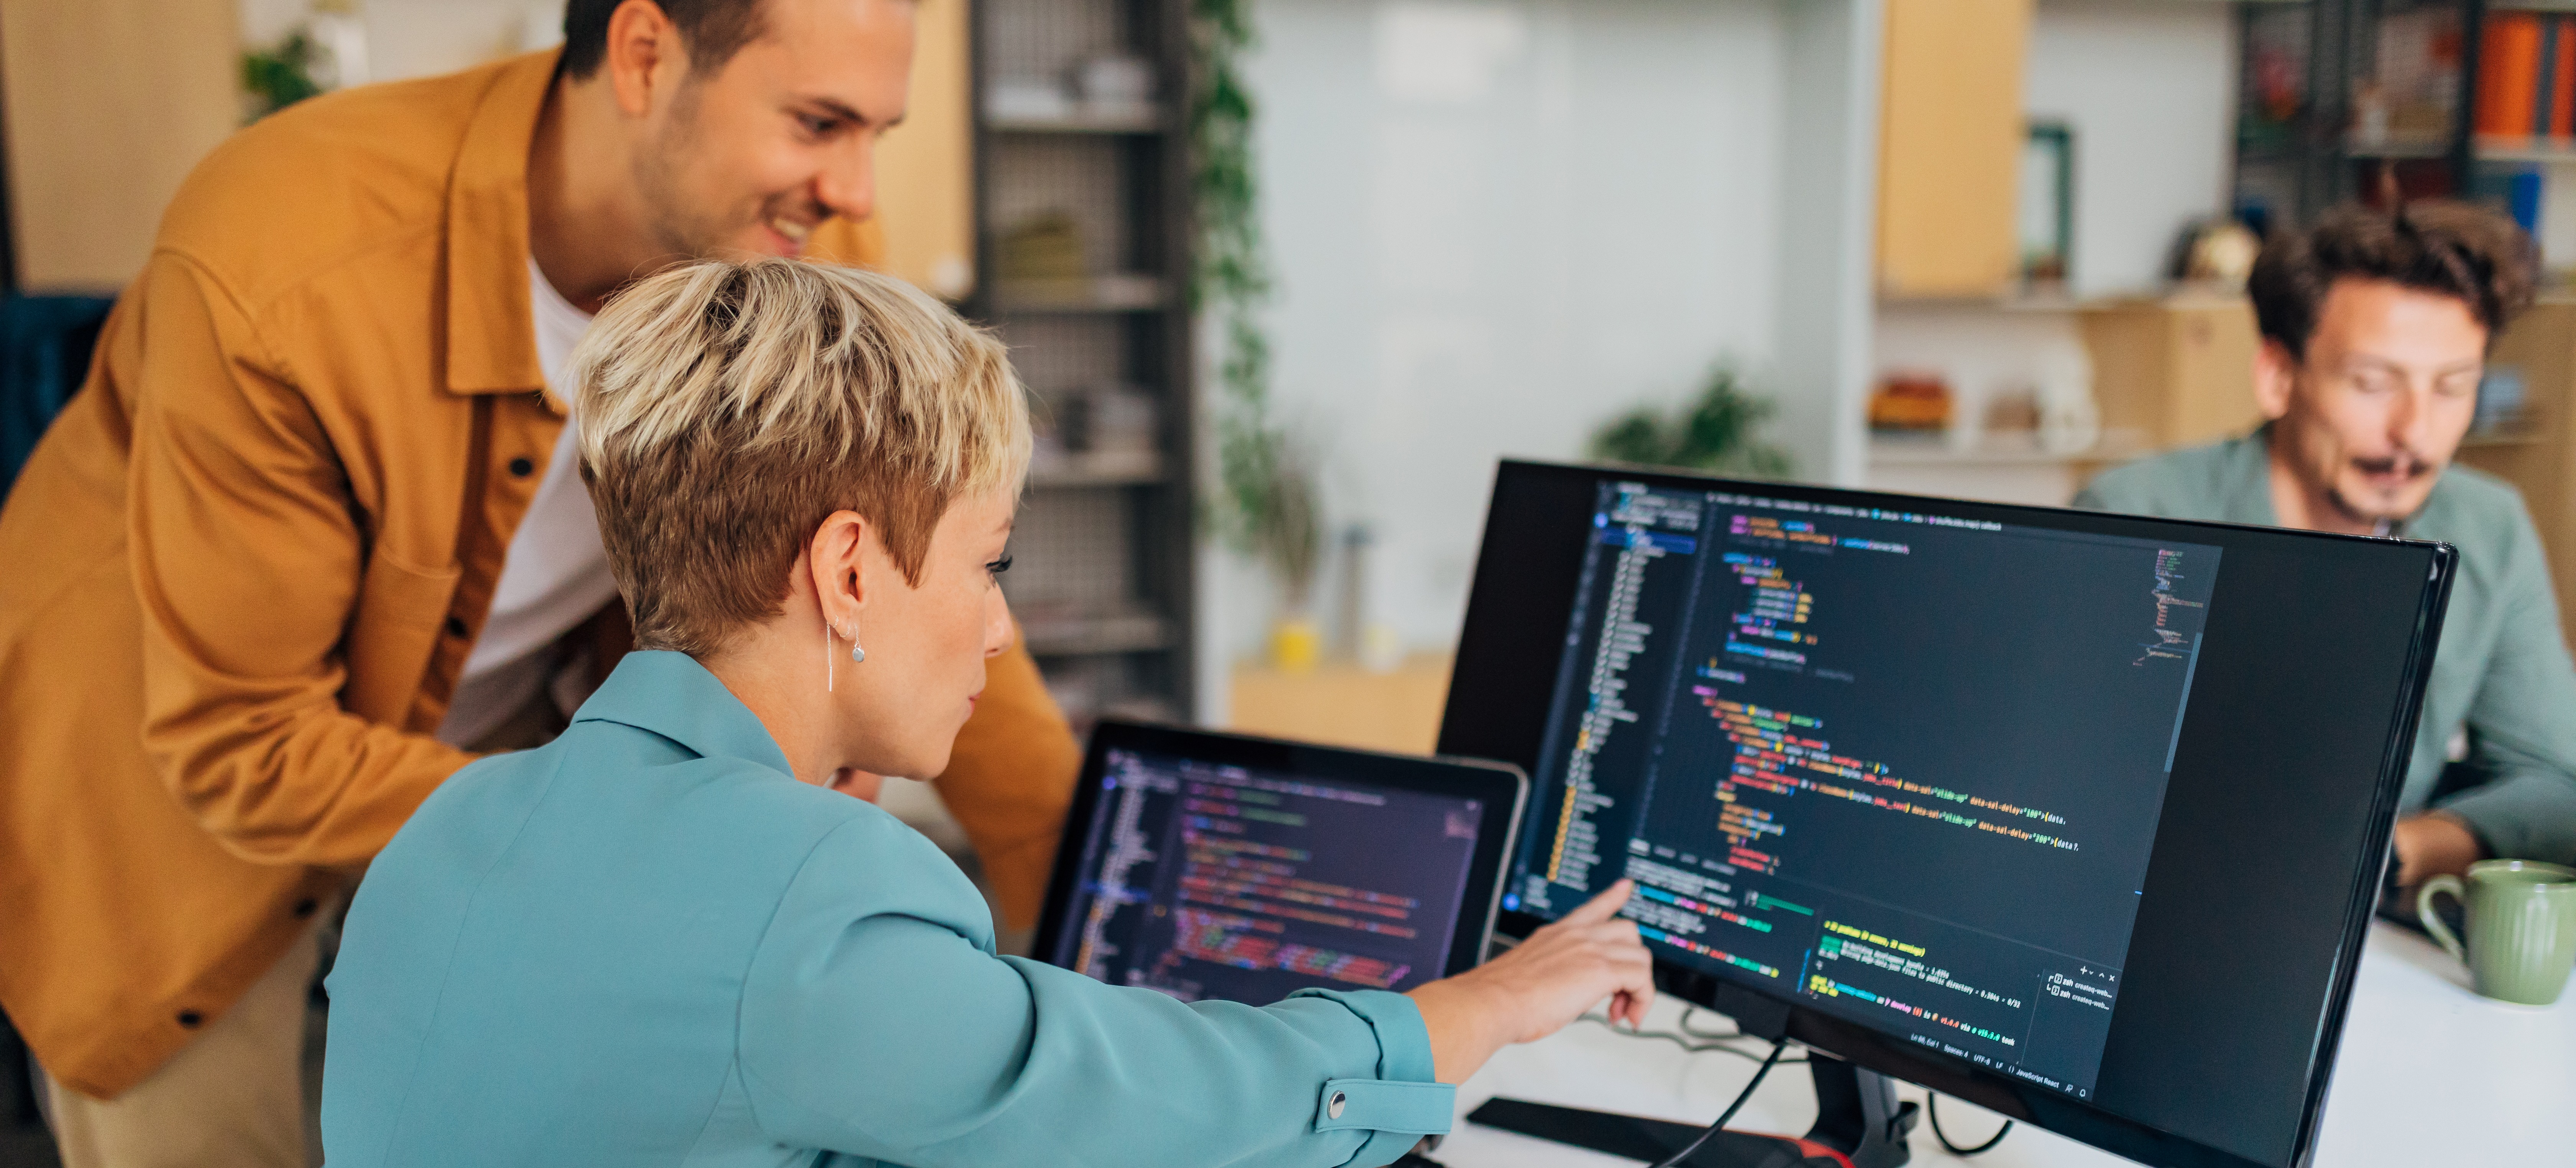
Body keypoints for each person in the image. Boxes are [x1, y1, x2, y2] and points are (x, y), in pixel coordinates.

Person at [0, 1, 1079, 1163]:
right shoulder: (283, 257)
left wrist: (1091, 915)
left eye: (875, 129)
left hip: (493, 784)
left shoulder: (794, 240)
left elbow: (929, 566)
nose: (858, 188)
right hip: (177, 834)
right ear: (643, 53)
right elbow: (240, 740)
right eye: (821, 122)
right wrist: (624, 844)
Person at [319, 257, 1656, 1166]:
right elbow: (1178, 1104)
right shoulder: (820, 895)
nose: (999, 622)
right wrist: (1482, 1006)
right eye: (989, 558)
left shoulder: (448, 825)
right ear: (849, 570)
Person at [2076, 201, 2576, 885]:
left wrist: (2408, 849)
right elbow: (2080, 787)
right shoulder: (2137, 516)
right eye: (2374, 384)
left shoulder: (2491, 526)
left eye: (2454, 388)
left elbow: (2556, 778)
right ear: (2279, 376)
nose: (2416, 431)